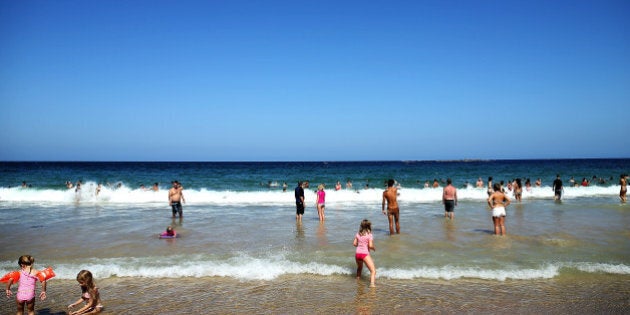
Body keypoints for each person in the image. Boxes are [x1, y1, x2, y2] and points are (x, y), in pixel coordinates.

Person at [353, 219, 376, 287]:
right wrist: (373, 248)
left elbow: (354, 244)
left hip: (357, 254)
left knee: (359, 268)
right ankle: (372, 284)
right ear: (369, 226)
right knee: (373, 271)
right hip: (364, 254)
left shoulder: (358, 234)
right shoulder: (369, 235)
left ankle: (358, 281)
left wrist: (360, 245)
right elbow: (370, 245)